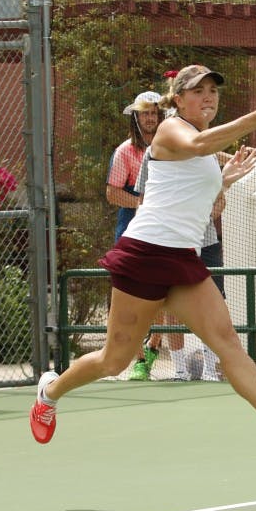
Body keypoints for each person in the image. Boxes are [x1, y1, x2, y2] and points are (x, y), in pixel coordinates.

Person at [31, 64, 256, 453]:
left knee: (228, 343)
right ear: (178, 98)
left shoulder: (201, 144)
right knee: (114, 360)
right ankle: (50, 393)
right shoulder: (172, 129)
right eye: (198, 91)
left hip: (183, 260)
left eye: (213, 92)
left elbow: (191, 198)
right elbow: (198, 149)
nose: (208, 98)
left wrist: (226, 180)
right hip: (145, 255)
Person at [136, 144, 256, 381]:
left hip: (207, 242)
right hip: (170, 243)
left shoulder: (208, 152)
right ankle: (180, 370)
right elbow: (143, 200)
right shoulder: (154, 153)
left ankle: (211, 370)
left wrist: (205, 212)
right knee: (171, 305)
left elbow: (220, 200)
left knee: (213, 305)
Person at [106, 90, 165, 381]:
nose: (149, 117)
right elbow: (112, 193)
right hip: (132, 232)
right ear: (136, 117)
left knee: (164, 296)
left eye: (154, 112)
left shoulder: (172, 145)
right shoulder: (124, 152)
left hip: (166, 233)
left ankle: (154, 346)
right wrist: (143, 203)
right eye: (144, 113)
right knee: (133, 299)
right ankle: (140, 360)